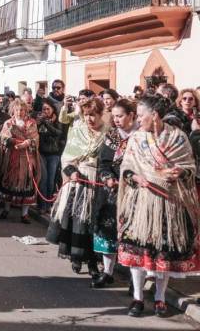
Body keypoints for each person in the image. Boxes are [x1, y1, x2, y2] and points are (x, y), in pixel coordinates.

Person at [118, 94, 200, 318]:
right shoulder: (136, 139)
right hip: (143, 203)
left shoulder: (178, 137)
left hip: (170, 203)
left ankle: (160, 298)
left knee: (165, 254)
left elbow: (189, 165)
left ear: (154, 115)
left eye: (142, 115)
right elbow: (126, 165)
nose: (138, 120)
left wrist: (181, 171)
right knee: (138, 252)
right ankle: (137, 297)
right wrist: (136, 177)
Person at [47, 97, 108, 277]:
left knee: (95, 223)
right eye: (86, 115)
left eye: (93, 115)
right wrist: (71, 171)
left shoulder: (108, 133)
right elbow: (67, 155)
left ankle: (93, 262)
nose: (90, 119)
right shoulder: (77, 130)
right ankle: (76, 257)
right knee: (78, 221)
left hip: (99, 181)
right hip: (79, 180)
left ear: (100, 114)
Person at [91, 99, 137, 289]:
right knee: (108, 231)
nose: (116, 120)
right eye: (114, 116)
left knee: (134, 235)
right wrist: (108, 177)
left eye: (120, 116)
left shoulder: (141, 136)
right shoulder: (112, 136)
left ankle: (136, 280)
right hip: (112, 192)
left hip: (136, 193)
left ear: (131, 115)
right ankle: (108, 272)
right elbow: (104, 162)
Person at [0, 99, 40, 223]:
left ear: (26, 110)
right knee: (9, 182)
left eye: (22, 110)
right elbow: (3, 137)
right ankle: (6, 208)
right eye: (17, 110)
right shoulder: (8, 123)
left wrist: (29, 142)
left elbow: (36, 138)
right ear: (13, 110)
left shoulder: (31, 123)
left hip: (27, 158)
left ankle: (24, 214)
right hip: (12, 157)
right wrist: (13, 142)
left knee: (26, 184)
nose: (19, 112)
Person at [37, 99, 64, 213]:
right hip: (42, 153)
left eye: (48, 109)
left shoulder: (58, 121)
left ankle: (49, 204)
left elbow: (58, 133)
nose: (46, 111)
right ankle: (42, 205)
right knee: (43, 179)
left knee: (51, 180)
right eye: (44, 109)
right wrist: (38, 124)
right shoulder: (39, 121)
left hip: (54, 154)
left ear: (53, 110)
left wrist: (46, 123)